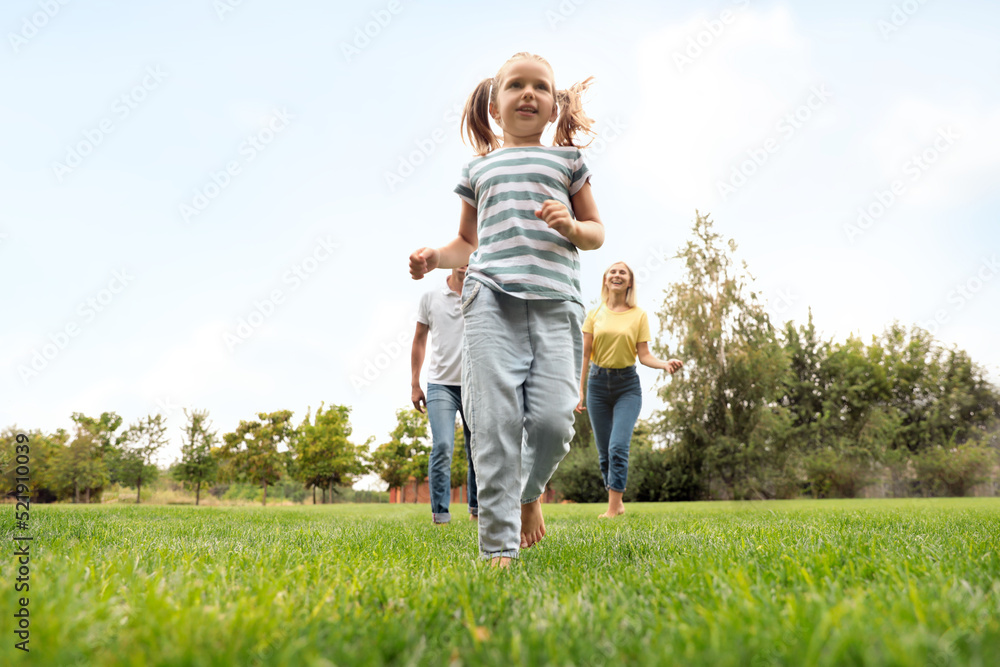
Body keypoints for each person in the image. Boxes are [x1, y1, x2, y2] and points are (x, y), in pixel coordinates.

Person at [409, 52, 604, 566]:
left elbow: (596, 233)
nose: (528, 93)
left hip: (555, 303)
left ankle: (528, 493)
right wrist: (435, 258)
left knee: (554, 423)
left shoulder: (568, 162)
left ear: (554, 106)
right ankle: (499, 548)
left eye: (540, 86)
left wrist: (571, 226)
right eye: (516, 85)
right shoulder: (479, 168)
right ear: (495, 107)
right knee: (494, 424)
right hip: (489, 300)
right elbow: (466, 243)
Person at [576, 261, 683, 518]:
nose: (617, 275)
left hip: (627, 387)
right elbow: (585, 355)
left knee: (618, 447)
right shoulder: (594, 313)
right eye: (612, 271)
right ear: (605, 279)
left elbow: (644, 355)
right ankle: (618, 501)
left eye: (622, 272)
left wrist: (664, 364)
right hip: (597, 385)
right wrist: (579, 390)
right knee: (604, 453)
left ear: (630, 281)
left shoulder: (638, 315)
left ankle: (613, 509)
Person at [411, 265, 478, 524]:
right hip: (440, 384)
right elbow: (419, 339)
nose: (464, 262)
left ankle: (477, 510)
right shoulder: (431, 297)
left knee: (477, 450)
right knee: (442, 446)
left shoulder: (482, 293)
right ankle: (440, 515)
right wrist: (415, 383)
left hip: (476, 384)